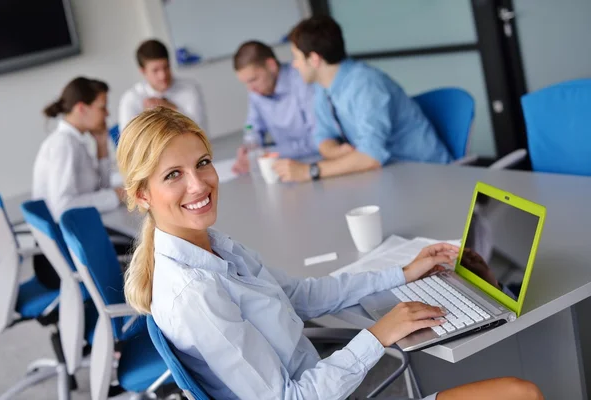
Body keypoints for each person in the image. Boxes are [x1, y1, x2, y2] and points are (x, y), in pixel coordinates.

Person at [115, 107, 543, 400]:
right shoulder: (194, 293)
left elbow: (302, 296)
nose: (199, 184)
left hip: (329, 384)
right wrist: (378, 335)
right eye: (174, 175)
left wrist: (401, 273)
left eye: (203, 163)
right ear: (141, 194)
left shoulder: (213, 247)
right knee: (520, 394)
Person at [273, 16, 453, 183]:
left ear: (314, 59)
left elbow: (371, 156)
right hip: (388, 176)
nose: (294, 65)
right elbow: (323, 136)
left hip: (428, 175)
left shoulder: (365, 84)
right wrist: (335, 151)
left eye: (296, 57)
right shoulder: (323, 87)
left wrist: (309, 171)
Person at [33, 76, 127, 289]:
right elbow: (63, 207)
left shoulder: (76, 142)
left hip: (73, 244)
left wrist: (102, 146)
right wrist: (115, 195)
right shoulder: (63, 145)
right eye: (103, 107)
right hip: (63, 257)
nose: (107, 114)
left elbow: (98, 189)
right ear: (81, 108)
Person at [232, 41, 318, 173]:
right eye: (246, 83)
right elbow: (252, 127)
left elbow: (319, 140)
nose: (251, 89)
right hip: (284, 168)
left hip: (317, 163)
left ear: (271, 65)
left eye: (253, 79)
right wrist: (248, 150)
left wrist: (269, 153)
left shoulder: (302, 81)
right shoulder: (257, 92)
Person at [118, 39, 207, 131]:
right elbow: (127, 140)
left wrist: (171, 108)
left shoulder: (190, 89)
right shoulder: (131, 98)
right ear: (143, 71)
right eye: (155, 70)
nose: (163, 75)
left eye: (166, 67)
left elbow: (201, 131)